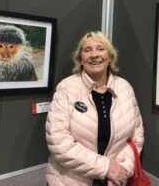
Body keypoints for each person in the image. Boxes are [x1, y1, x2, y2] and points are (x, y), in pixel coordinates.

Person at [45, 31, 144, 186]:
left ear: (110, 56)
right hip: (71, 180)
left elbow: (136, 136)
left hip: (115, 179)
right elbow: (58, 142)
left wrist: (123, 168)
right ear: (80, 59)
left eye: (100, 48)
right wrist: (105, 167)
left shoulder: (125, 88)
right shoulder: (66, 88)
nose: (94, 55)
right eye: (87, 50)